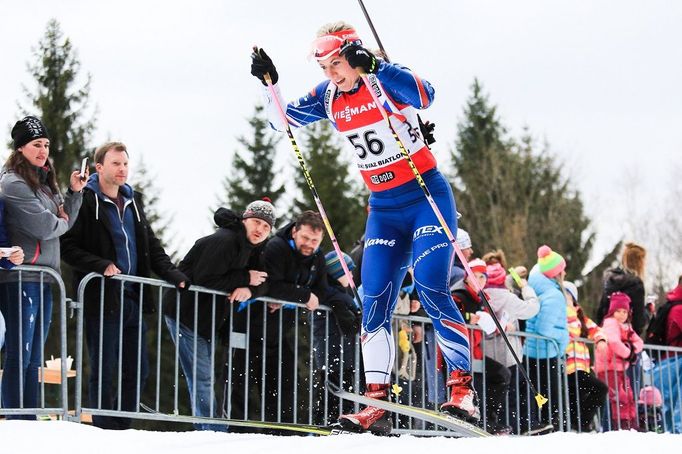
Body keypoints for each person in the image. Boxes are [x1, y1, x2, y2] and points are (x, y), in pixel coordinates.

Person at [251, 20, 477, 435]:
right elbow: (281, 123)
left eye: (336, 64)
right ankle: (376, 400)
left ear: (353, 56)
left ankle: (462, 389)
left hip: (426, 197)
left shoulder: (382, 78)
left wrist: (376, 66)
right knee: (372, 299)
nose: (331, 73)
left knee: (430, 285)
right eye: (324, 68)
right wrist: (271, 85)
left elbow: (426, 95)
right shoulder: (329, 95)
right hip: (384, 209)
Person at [60, 142, 188, 429]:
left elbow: (151, 248)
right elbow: (66, 246)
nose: (122, 169)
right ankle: (102, 428)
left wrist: (174, 275)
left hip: (132, 297)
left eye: (125, 164)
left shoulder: (133, 202)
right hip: (101, 296)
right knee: (105, 369)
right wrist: (100, 264)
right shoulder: (87, 199)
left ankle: (123, 430)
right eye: (116, 164)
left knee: (137, 370)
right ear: (99, 167)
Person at [162, 199, 274, 431]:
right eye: (255, 222)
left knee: (204, 376)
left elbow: (264, 281)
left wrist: (249, 289)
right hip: (185, 314)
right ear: (245, 220)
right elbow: (205, 279)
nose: (260, 230)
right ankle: (211, 431)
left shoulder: (253, 248)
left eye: (266, 227)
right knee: (202, 377)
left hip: (209, 320)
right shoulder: (224, 241)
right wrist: (244, 279)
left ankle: (210, 428)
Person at [0, 116, 83, 419]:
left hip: (46, 277)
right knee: (19, 353)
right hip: (21, 277)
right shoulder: (13, 183)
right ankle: (15, 416)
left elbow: (64, 222)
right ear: (20, 147)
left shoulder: (44, 181)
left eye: (46, 144)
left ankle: (30, 414)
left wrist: (73, 195)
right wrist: (60, 219)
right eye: (36, 144)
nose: (43, 150)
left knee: (34, 356)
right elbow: (47, 227)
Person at [481, 260, 540, 434]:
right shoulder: (508, 297)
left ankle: (496, 425)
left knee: (493, 393)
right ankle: (514, 427)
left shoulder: (482, 295)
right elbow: (531, 309)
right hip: (509, 354)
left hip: (486, 354)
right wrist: (526, 288)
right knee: (512, 394)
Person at [524, 245, 570, 431]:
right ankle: (552, 428)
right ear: (556, 273)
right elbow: (544, 329)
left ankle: (541, 425)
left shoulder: (537, 289)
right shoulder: (554, 295)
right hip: (546, 353)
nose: (564, 272)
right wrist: (563, 335)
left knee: (538, 396)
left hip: (531, 351)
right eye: (562, 269)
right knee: (551, 397)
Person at [563, 281, 608, 432]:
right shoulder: (560, 315)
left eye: (567, 294)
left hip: (581, 367)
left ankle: (579, 424)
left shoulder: (581, 318)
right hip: (567, 365)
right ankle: (580, 424)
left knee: (584, 395)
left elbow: (597, 330)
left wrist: (601, 340)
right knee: (598, 389)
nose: (565, 297)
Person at [595, 291, 644, 430]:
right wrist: (629, 354)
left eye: (625, 311)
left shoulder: (627, 327)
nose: (622, 314)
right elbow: (614, 342)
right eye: (618, 311)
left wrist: (632, 349)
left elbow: (639, 342)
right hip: (608, 368)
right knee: (618, 398)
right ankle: (616, 426)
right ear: (612, 311)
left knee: (628, 396)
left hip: (620, 369)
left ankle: (629, 424)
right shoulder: (610, 323)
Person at [652, 276, 682, 433]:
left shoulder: (674, 304)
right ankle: (676, 431)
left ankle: (671, 431)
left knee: (672, 399)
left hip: (671, 359)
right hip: (674, 360)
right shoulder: (678, 309)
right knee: (674, 399)